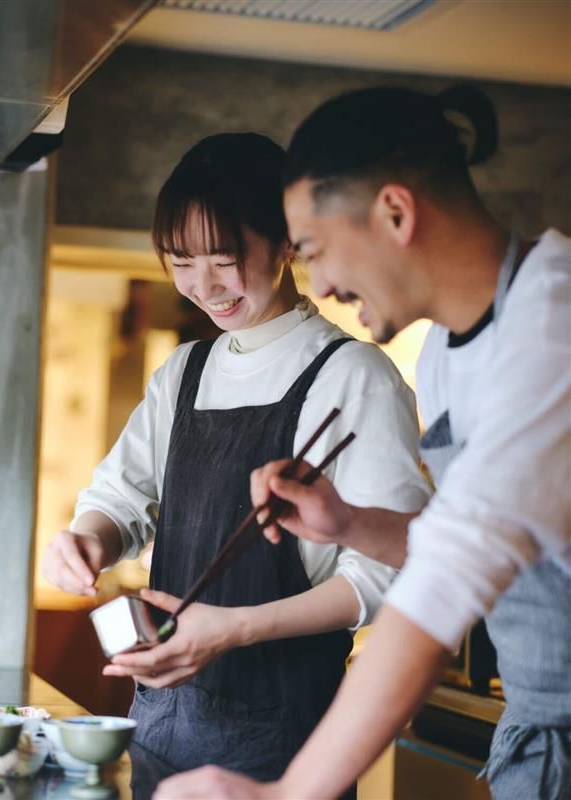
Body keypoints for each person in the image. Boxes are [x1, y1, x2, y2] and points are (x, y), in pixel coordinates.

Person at [155, 87, 570, 800]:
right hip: (538, 729)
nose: (322, 285)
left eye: (313, 250)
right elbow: (466, 540)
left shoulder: (552, 328)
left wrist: (288, 793)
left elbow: (450, 578)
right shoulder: (444, 350)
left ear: (396, 213)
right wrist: (347, 525)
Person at [41, 132, 430, 800]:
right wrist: (89, 539)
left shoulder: (354, 377)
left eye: (223, 258)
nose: (203, 286)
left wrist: (235, 630)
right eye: (180, 262)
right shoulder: (183, 372)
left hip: (284, 736)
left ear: (285, 243)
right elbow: (122, 496)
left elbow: (394, 572)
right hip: (160, 720)